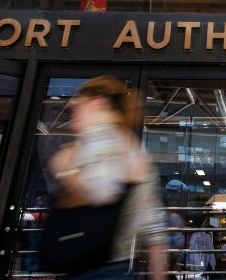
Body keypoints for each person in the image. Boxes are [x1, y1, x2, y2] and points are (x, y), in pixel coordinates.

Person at [47, 76, 167, 279]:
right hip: (122, 269)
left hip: (93, 269)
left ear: (98, 102)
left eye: (79, 103)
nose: (72, 107)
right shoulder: (134, 148)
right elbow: (154, 230)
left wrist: (66, 171)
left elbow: (102, 191)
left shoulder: (102, 140)